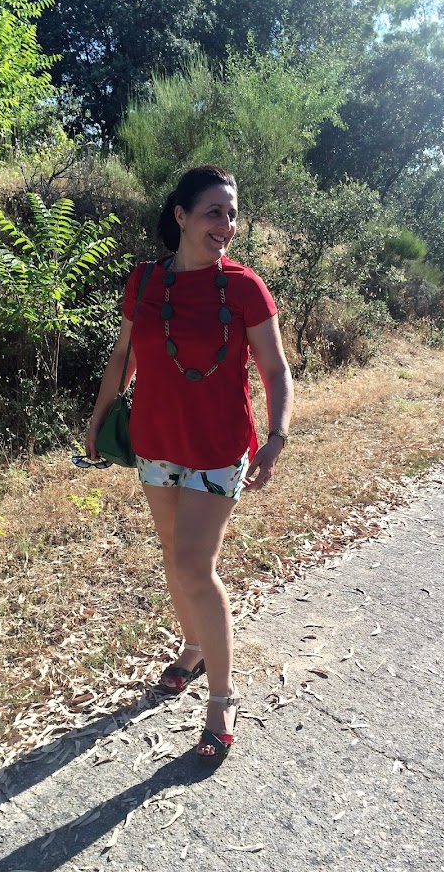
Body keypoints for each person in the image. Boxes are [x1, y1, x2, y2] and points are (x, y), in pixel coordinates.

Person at [85, 165, 293, 765]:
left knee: (193, 566)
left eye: (232, 214)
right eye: (213, 212)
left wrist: (276, 436)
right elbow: (123, 356)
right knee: (175, 558)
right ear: (181, 215)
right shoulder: (146, 281)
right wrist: (98, 420)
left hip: (219, 447)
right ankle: (194, 648)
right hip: (156, 443)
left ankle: (222, 701)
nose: (226, 225)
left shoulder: (246, 289)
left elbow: (276, 370)